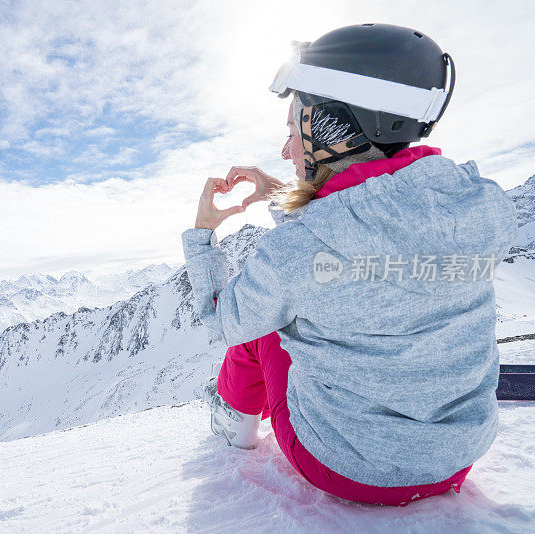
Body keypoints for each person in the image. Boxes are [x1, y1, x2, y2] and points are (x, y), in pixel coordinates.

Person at [180, 23, 519, 507]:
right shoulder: (482, 206)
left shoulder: (293, 253)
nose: (286, 150)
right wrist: (283, 192)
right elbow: (377, 228)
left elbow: (223, 319)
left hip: (347, 468)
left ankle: (232, 423)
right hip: (456, 458)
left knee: (264, 322)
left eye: (293, 130)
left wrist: (202, 235)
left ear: (330, 128)